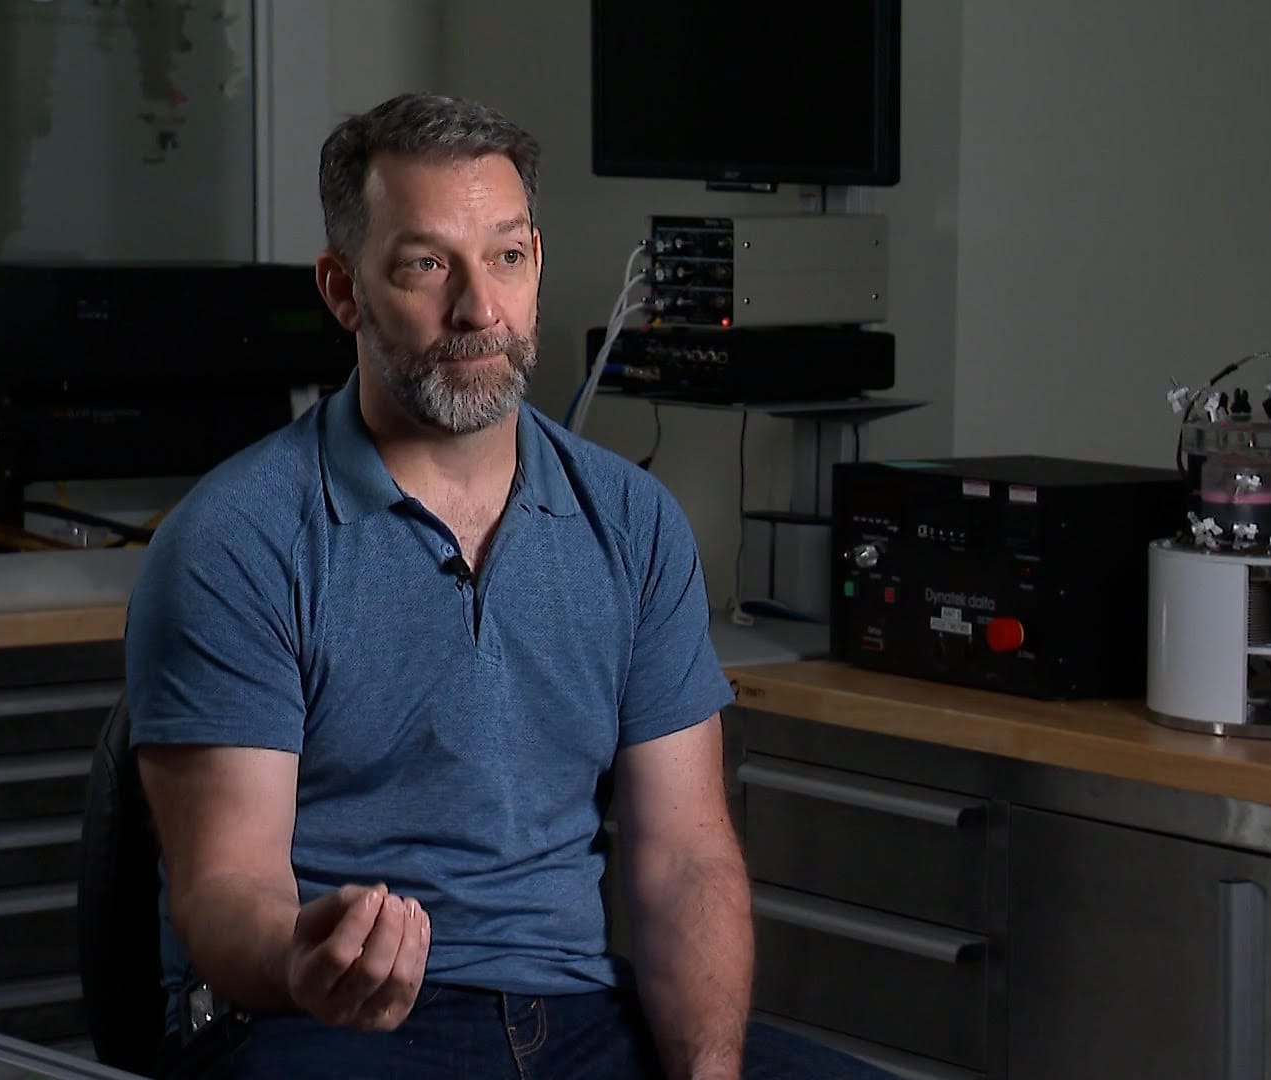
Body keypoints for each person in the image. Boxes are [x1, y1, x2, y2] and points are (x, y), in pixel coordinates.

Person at [124, 93, 889, 1080]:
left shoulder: (633, 523)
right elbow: (225, 885)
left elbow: (684, 861)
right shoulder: (238, 539)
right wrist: (303, 958)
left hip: (575, 1011)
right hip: (330, 1028)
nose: (479, 309)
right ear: (343, 289)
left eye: (508, 257)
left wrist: (707, 1074)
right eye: (427, 264)